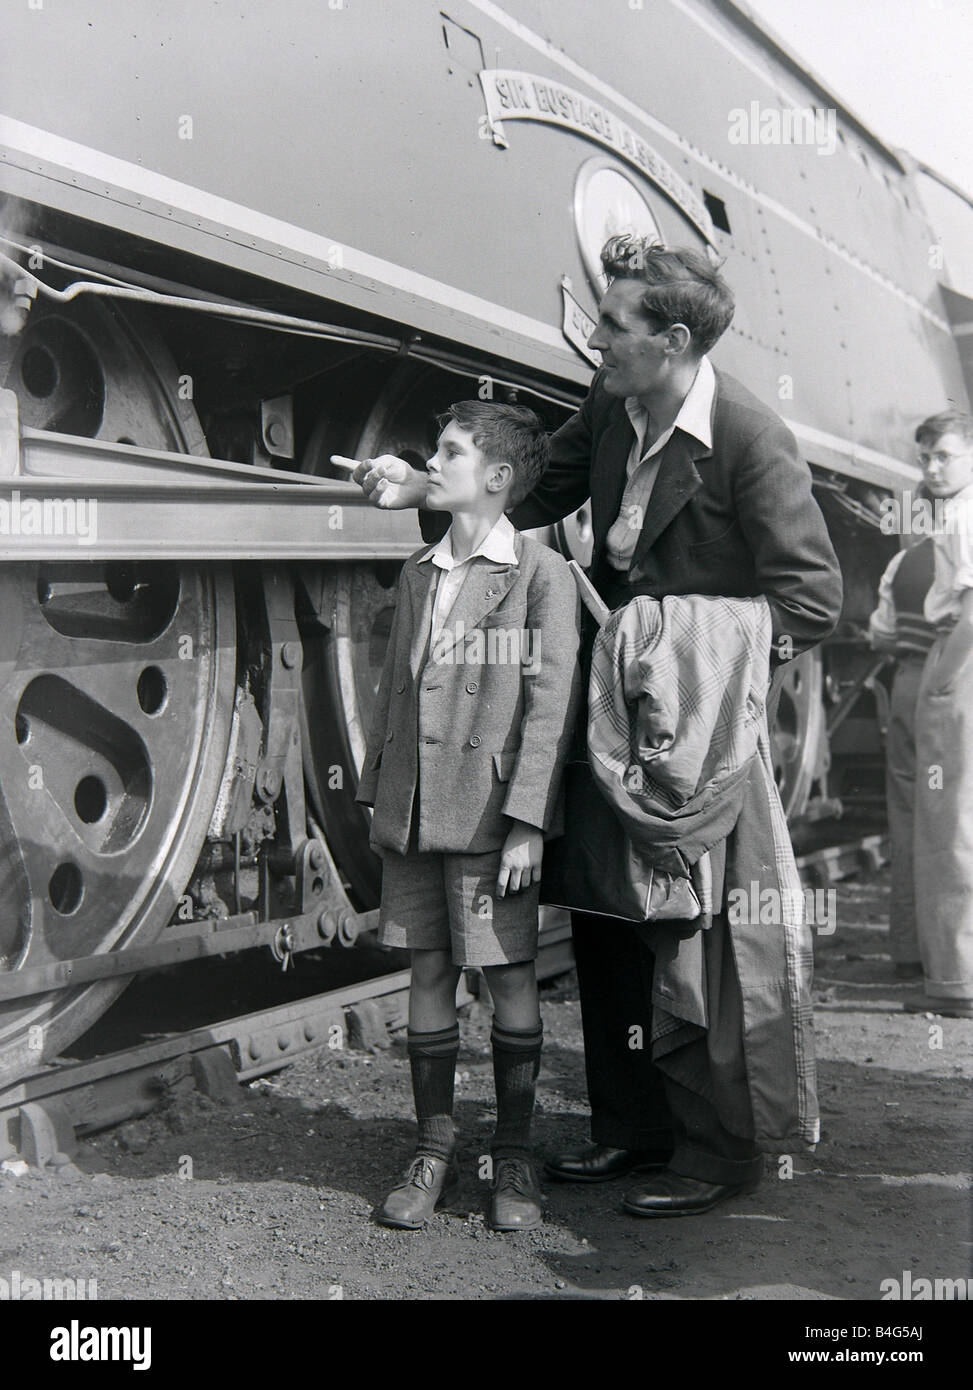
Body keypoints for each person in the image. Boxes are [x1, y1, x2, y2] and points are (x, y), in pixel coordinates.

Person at [347, 236, 842, 1218]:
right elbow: (522, 495)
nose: (594, 340)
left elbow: (814, 601)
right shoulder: (614, 412)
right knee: (615, 923)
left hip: (694, 736)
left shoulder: (748, 438)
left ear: (670, 338)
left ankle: (714, 1153)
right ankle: (630, 1130)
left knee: (693, 940)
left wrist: (693, 661)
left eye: (613, 326)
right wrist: (423, 490)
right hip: (614, 721)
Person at [353, 400, 581, 1230]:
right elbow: (394, 689)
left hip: (489, 816)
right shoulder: (419, 572)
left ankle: (514, 1155)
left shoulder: (537, 573)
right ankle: (433, 1146)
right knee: (426, 972)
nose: (431, 465)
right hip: (414, 811)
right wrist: (379, 790)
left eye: (447, 454)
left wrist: (527, 820)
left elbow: (550, 704)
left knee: (510, 975)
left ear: (496, 478)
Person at [868, 428, 941, 981]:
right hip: (953, 683)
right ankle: (951, 958)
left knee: (907, 818)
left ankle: (909, 951)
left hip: (907, 687)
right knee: (954, 822)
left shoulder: (902, 565)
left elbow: (882, 637)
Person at [909, 410, 973, 1018]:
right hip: (957, 649)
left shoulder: (966, 513)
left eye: (944, 456)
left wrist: (943, 685)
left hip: (960, 653)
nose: (931, 468)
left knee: (950, 817)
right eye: (925, 457)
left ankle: (958, 981)